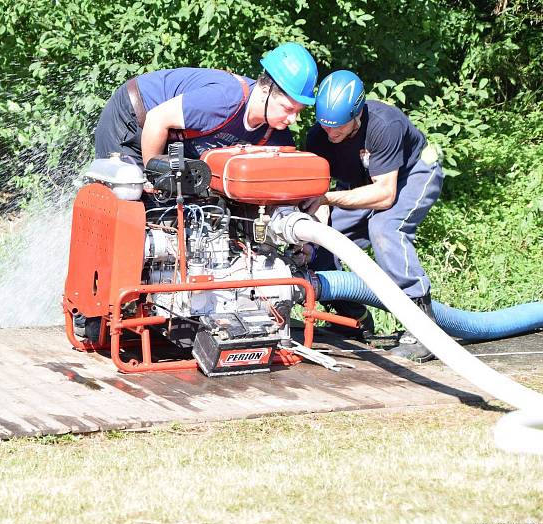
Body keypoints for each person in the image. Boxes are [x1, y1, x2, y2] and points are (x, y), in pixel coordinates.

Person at [303, 70, 444, 362]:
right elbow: (318, 196)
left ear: (357, 113)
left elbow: (384, 195)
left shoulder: (384, 125)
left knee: (384, 228)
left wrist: (329, 198)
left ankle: (423, 327)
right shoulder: (318, 138)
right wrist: (311, 233)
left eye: (338, 126)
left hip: (411, 175)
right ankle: (354, 319)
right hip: (361, 184)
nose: (332, 133)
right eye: (325, 126)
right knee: (321, 240)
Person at [94, 42, 318, 170]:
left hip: (171, 139)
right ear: (266, 90)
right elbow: (157, 119)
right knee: (133, 199)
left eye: (298, 112)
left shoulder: (275, 134)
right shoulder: (226, 99)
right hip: (135, 118)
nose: (292, 120)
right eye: (288, 109)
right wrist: (153, 177)